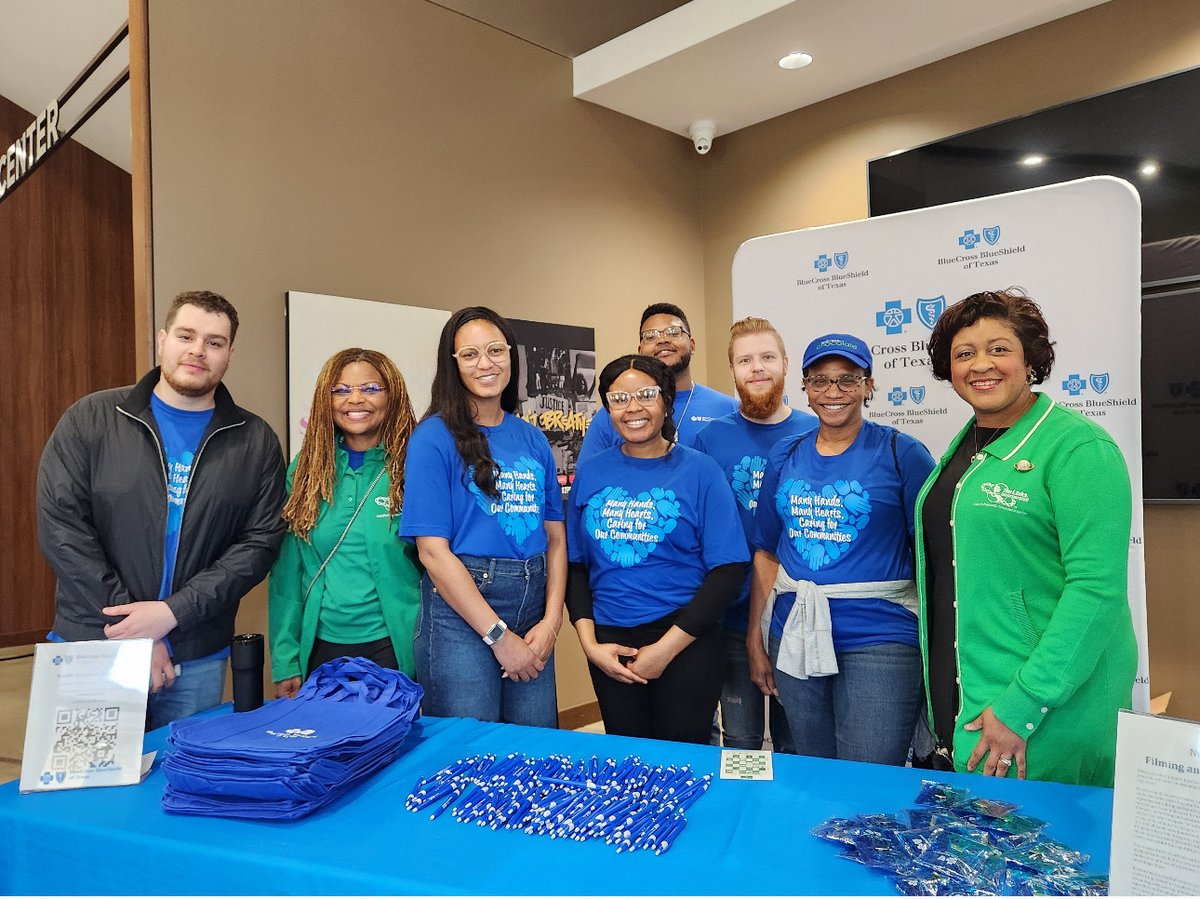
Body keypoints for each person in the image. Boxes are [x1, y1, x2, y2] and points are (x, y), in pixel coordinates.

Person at [916, 289, 1136, 787]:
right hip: (972, 702)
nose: (981, 365)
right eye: (964, 353)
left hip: (1040, 714)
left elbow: (1095, 593)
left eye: (999, 348)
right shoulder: (965, 446)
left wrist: (1024, 704)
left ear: (1030, 359)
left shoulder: (1079, 449)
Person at [37, 290, 286, 729]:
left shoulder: (255, 439)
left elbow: (258, 544)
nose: (197, 351)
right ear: (162, 339)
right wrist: (137, 629)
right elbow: (63, 528)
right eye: (186, 336)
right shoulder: (92, 418)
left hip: (196, 651)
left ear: (229, 354)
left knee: (184, 785)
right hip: (96, 643)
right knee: (87, 792)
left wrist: (172, 613)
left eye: (214, 342)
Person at [747, 333, 935, 765]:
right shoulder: (785, 454)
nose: (834, 393)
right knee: (814, 767)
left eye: (847, 380)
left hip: (880, 638)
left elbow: (932, 557)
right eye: (820, 381)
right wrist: (756, 639)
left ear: (869, 386)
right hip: (793, 631)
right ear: (806, 389)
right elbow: (767, 553)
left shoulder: (901, 453)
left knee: (869, 774)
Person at [567, 354, 749, 744]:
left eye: (646, 395)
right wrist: (590, 645)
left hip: (685, 639)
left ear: (666, 400)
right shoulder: (592, 472)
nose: (633, 408)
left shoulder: (701, 471)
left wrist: (665, 650)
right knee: (627, 759)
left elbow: (729, 569)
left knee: (683, 760)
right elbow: (575, 566)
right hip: (609, 642)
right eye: (619, 399)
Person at [400, 307, 565, 727]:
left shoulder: (531, 437)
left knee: (536, 749)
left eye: (495, 350)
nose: (486, 363)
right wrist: (498, 636)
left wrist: (551, 621)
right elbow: (433, 554)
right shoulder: (433, 438)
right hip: (462, 614)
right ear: (452, 365)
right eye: (470, 355)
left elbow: (556, 539)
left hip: (533, 606)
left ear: (512, 356)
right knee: (471, 752)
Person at [268, 349, 422, 698]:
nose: (355, 399)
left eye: (371, 388)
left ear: (392, 395)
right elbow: (287, 575)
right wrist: (286, 659)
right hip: (321, 647)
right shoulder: (306, 472)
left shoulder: (413, 468)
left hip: (397, 646)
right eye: (340, 390)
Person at [695, 317, 817, 751]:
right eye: (745, 360)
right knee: (741, 741)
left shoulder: (814, 432)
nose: (757, 368)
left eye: (767, 357)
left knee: (797, 742)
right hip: (730, 615)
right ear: (732, 370)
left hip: (795, 616)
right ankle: (744, 814)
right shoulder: (708, 440)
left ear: (785, 364)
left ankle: (788, 818)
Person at [577, 303, 736, 462]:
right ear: (640, 352)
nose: (662, 340)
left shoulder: (728, 409)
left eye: (673, 332)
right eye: (650, 336)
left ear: (692, 345)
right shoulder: (616, 413)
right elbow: (590, 477)